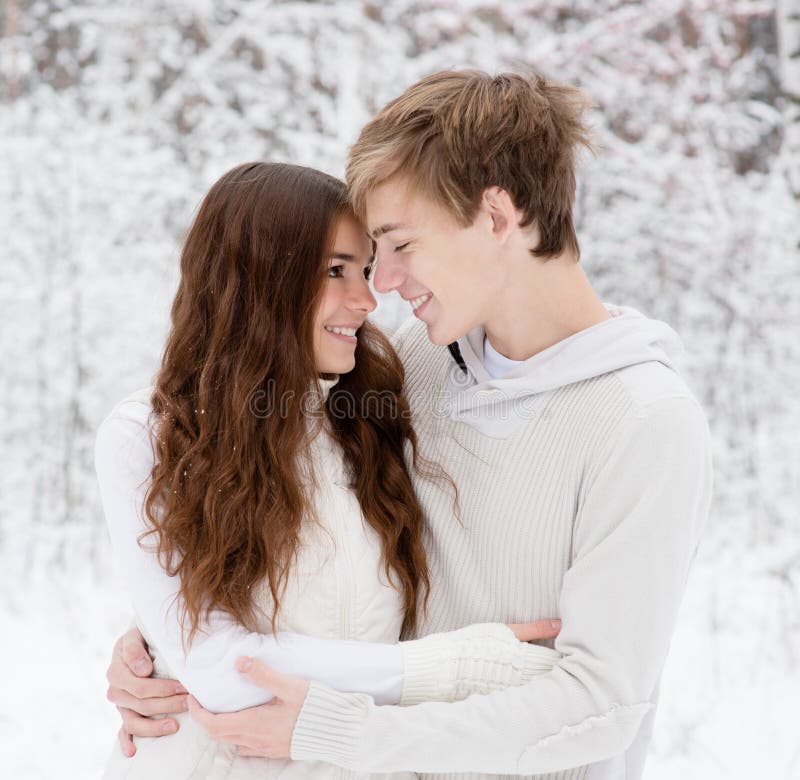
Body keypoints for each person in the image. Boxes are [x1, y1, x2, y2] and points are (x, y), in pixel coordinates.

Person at [106, 71, 713, 780]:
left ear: (495, 217)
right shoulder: (419, 367)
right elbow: (310, 557)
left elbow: (601, 702)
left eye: (399, 245)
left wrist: (341, 731)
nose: (382, 285)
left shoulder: (645, 424)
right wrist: (164, 650)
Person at [96, 161, 564, 779]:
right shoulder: (150, 434)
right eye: (335, 270)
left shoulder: (377, 421)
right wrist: (449, 670)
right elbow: (220, 671)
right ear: (259, 276)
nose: (367, 300)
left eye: (365, 270)